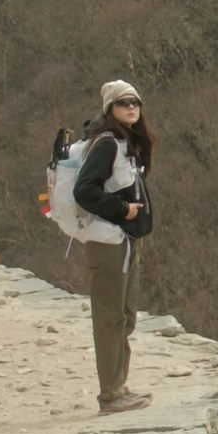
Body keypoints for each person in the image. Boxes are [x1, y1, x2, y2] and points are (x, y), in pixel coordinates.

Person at [52, 78, 153, 412]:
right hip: (109, 241)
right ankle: (111, 394)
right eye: (124, 103)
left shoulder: (124, 142)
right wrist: (122, 209)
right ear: (110, 108)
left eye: (135, 102)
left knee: (123, 316)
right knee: (110, 317)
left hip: (123, 241)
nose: (131, 107)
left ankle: (119, 388)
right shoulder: (108, 143)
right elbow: (85, 190)